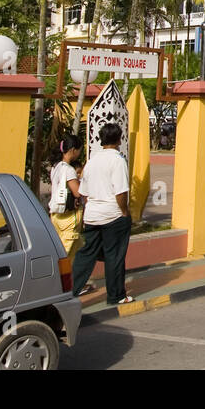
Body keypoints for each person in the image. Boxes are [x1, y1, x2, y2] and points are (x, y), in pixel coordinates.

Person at [71, 123, 134, 305]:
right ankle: (116, 296)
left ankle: (68, 292)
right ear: (119, 139)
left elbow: (84, 192)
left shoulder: (92, 161)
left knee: (86, 254)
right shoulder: (117, 160)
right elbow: (120, 192)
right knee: (114, 255)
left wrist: (91, 208)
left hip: (92, 215)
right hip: (112, 215)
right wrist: (124, 212)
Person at [49, 135, 84, 260]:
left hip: (56, 215)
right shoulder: (68, 170)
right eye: (80, 150)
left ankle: (78, 278)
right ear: (73, 150)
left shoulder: (56, 167)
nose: (80, 154)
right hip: (68, 219)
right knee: (65, 258)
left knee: (81, 253)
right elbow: (77, 192)